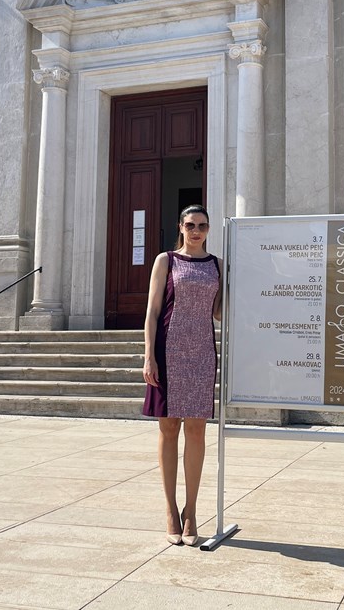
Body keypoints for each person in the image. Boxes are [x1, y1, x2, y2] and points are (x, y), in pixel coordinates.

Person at [142, 204, 222, 547]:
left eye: (202, 225)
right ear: (180, 227)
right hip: (167, 348)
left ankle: (191, 511)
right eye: (190, 225)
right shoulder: (166, 261)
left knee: (196, 427)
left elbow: (218, 312)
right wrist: (148, 356)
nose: (196, 231)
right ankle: (171, 509)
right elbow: (153, 311)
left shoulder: (217, 265)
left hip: (203, 350)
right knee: (169, 425)